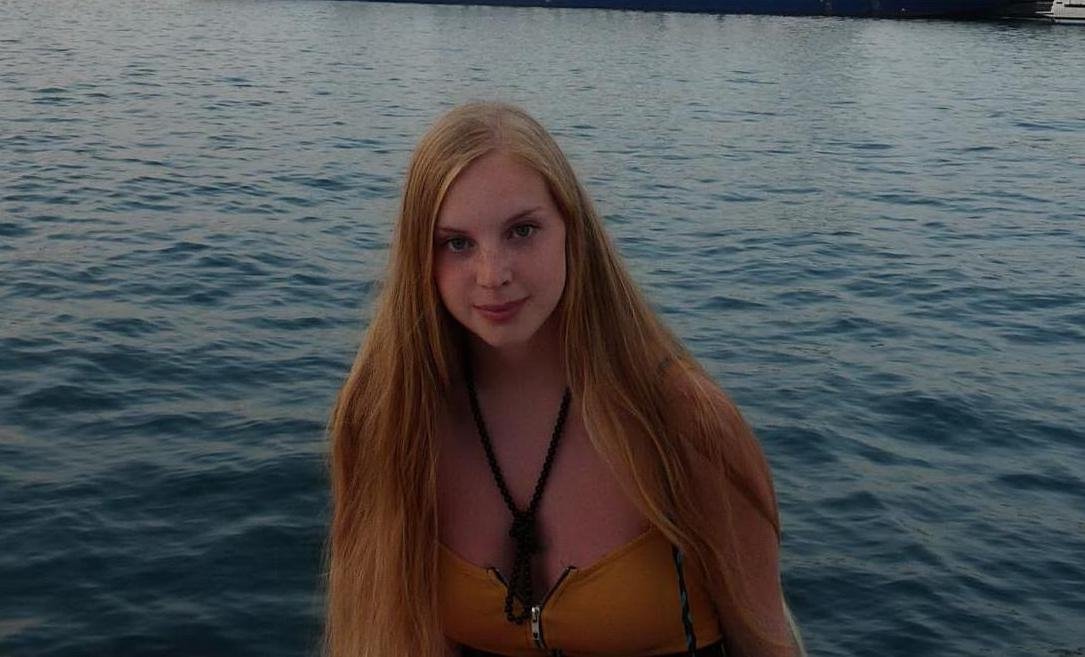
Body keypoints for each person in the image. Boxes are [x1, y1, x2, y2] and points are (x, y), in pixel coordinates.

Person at [322, 101, 806, 657]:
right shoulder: (388, 419)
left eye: (522, 231)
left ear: (572, 231)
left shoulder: (682, 423)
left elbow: (766, 641)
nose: (493, 275)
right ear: (419, 258)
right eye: (456, 243)